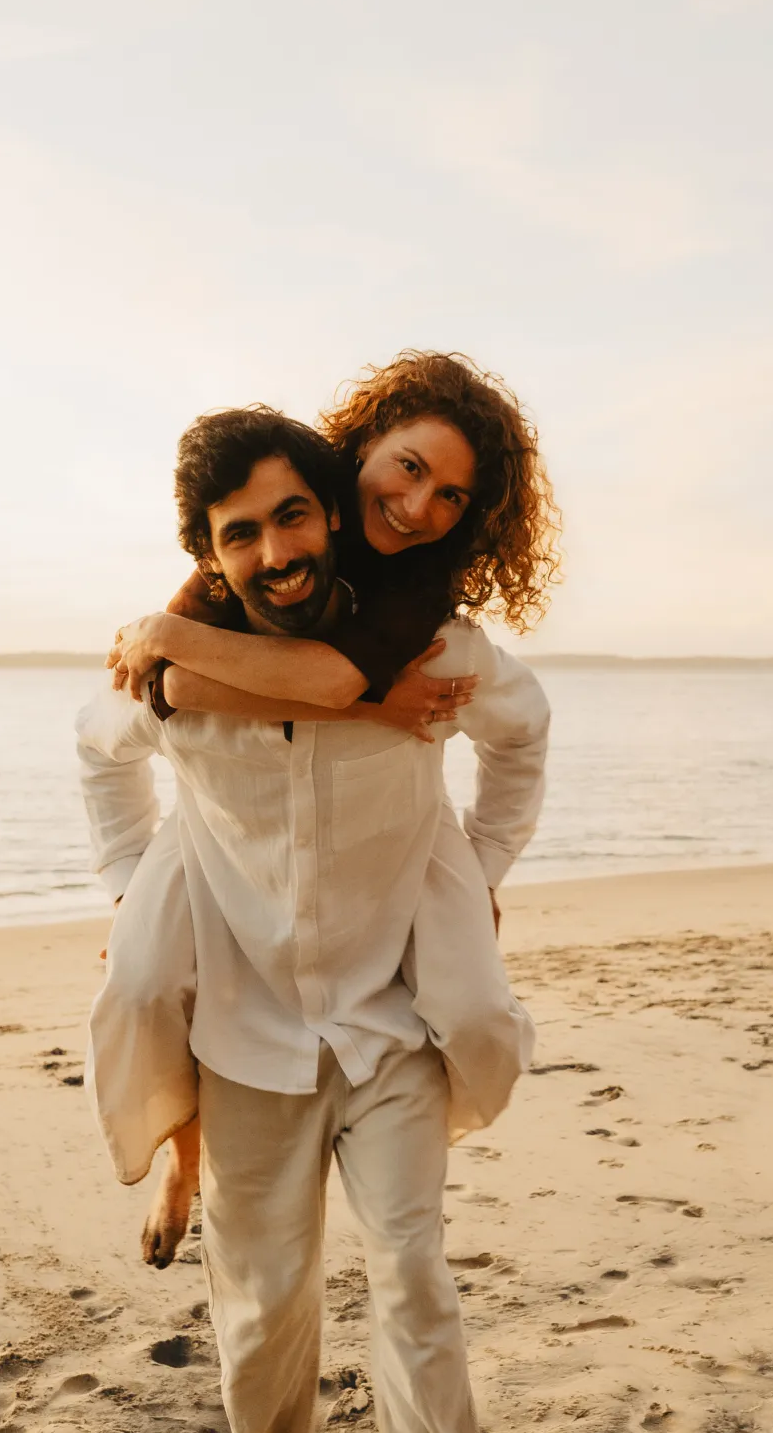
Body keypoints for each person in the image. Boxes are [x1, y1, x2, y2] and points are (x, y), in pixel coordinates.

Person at [76, 413, 550, 1433]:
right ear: (208, 554)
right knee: (264, 1294)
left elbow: (523, 734)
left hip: (389, 1017)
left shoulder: (430, 652)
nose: (275, 550)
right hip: (243, 1031)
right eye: (241, 534)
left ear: (330, 515)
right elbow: (97, 753)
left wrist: (486, 871)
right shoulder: (173, 676)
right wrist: (133, 887)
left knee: (412, 1278)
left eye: (293, 517)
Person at [95, 352, 559, 1267]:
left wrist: (484, 858)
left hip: (374, 853)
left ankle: (407, 1112)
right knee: (145, 985)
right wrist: (123, 879)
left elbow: (331, 673)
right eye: (411, 466)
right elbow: (167, 691)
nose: (420, 507)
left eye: (453, 497)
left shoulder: (423, 589)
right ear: (360, 451)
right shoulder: (273, 520)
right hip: (217, 835)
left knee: (475, 1013)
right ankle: (180, 1160)